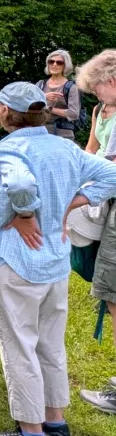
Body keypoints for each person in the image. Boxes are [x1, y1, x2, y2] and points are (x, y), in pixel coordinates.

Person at [0, 82, 116, 436]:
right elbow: (112, 175)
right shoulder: (64, 146)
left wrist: (25, 213)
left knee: (20, 345)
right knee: (49, 344)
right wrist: (74, 201)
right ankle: (55, 423)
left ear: (6, 112)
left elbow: (20, 183)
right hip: (54, 260)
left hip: (16, 260)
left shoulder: (11, 147)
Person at [76, 50, 116, 414]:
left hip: (110, 194)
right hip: (104, 195)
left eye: (98, 88)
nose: (95, 94)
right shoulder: (98, 111)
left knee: (114, 292)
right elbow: (92, 149)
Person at [36, 49, 81, 139]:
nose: (54, 64)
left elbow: (74, 114)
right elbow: (27, 105)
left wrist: (49, 109)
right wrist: (43, 97)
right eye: (51, 61)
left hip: (62, 134)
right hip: (40, 132)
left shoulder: (71, 87)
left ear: (65, 66)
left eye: (59, 62)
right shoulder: (40, 84)